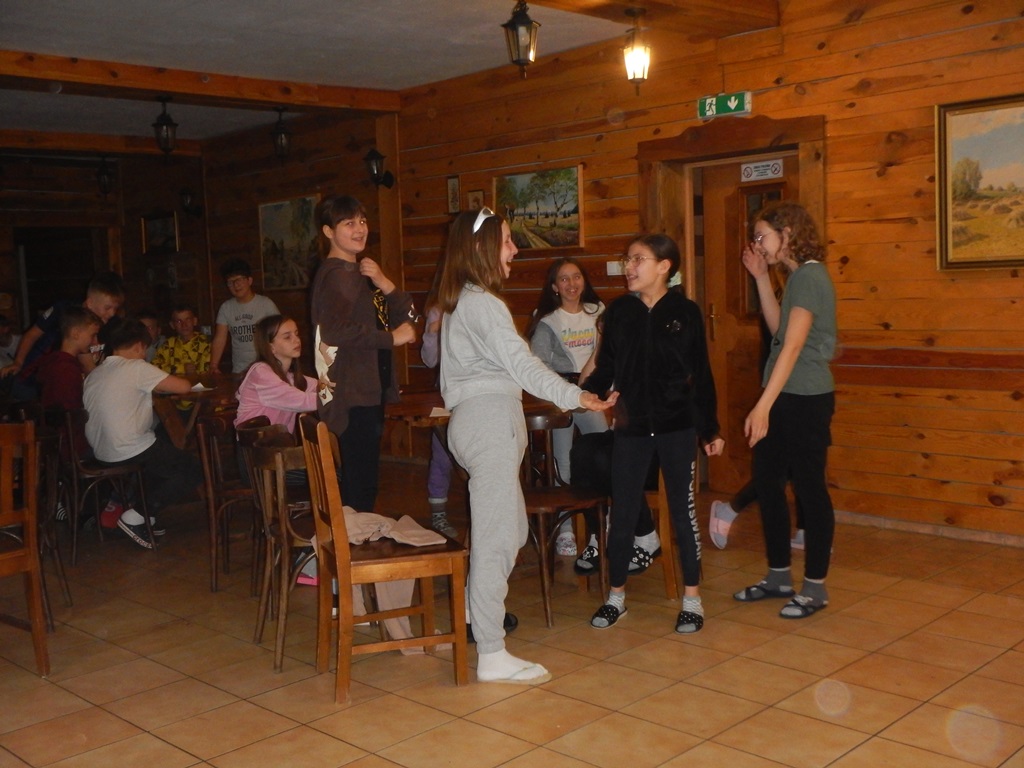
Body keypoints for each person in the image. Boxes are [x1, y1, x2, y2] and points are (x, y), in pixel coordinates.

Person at [438, 207, 616, 684]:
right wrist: (577, 396)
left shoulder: (467, 300)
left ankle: (473, 615)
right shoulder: (481, 303)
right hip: (488, 423)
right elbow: (524, 364)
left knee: (513, 529)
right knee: (497, 538)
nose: (514, 250)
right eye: (506, 241)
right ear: (481, 248)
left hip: (485, 422)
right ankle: (491, 652)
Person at [582, 233, 724, 634]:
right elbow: (607, 367)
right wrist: (584, 394)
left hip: (677, 427)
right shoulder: (620, 312)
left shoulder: (686, 312)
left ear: (664, 266)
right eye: (627, 259)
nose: (628, 267)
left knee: (682, 512)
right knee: (623, 512)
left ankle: (692, 599)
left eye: (638, 259)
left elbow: (702, 375)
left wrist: (709, 428)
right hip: (631, 427)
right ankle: (616, 597)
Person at [732, 201, 837, 619]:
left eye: (762, 236)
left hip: (805, 399)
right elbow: (780, 332)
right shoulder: (797, 277)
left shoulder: (810, 276)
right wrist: (761, 278)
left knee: (810, 488)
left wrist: (763, 406)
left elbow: (792, 349)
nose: (757, 243)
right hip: (785, 395)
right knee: (768, 482)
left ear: (787, 233)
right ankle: (778, 577)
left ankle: (815, 588)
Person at [310, 195, 417, 514]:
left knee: (363, 482)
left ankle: (353, 540)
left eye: (362, 221)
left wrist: (385, 282)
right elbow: (333, 330)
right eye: (348, 223)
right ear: (328, 231)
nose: (359, 229)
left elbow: (411, 317)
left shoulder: (358, 272)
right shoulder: (338, 274)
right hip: (353, 394)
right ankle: (352, 544)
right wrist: (390, 338)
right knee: (360, 486)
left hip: (369, 391)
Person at [708, 265, 806, 551]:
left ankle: (804, 528)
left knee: (801, 461)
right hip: (781, 388)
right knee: (783, 466)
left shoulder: (801, 292)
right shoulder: (778, 298)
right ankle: (730, 509)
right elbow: (784, 344)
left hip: (803, 388)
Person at [83, 318, 202, 549]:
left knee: (162, 453)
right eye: (145, 349)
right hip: (129, 448)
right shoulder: (136, 367)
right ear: (139, 346)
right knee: (194, 468)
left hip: (101, 451)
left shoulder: (96, 373)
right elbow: (184, 387)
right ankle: (136, 516)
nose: (145, 354)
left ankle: (146, 516)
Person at [526, 258, 607, 557]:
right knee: (563, 461)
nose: (572, 284)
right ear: (554, 287)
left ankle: (603, 522)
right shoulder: (548, 320)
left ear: (584, 280)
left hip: (591, 394)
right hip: (559, 396)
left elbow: (609, 353)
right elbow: (538, 364)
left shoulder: (598, 312)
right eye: (564, 279)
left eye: (576, 277)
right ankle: (566, 529)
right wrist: (561, 390)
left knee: (603, 451)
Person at [1, 271, 124, 398]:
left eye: (115, 308)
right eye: (107, 308)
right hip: (34, 377)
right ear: (90, 303)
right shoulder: (63, 310)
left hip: (67, 382)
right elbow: (32, 335)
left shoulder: (110, 323)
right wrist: (18, 363)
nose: (112, 313)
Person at [235, 314, 324, 435]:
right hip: (255, 444)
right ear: (271, 347)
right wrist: (337, 399)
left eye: (296, 334)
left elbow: (320, 386)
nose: (297, 340)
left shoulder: (289, 376)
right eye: (287, 337)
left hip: (276, 443)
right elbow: (303, 401)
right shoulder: (261, 373)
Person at [420, 257, 457, 539]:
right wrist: (433, 333)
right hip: (446, 392)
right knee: (442, 453)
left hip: (475, 393)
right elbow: (429, 359)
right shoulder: (437, 310)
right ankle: (438, 513)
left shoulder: (479, 306)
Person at [210, 259, 279, 374]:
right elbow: (220, 338)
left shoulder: (266, 304)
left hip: (267, 368)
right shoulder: (226, 308)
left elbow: (279, 332)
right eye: (230, 282)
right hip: (240, 370)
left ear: (249, 280)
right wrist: (213, 365)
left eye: (239, 280)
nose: (235, 285)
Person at [152, 304, 212, 377]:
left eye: (188, 320)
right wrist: (181, 368)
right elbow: (153, 369)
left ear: (194, 321)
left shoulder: (206, 344)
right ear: (172, 325)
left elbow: (207, 372)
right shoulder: (168, 345)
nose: (184, 325)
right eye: (179, 321)